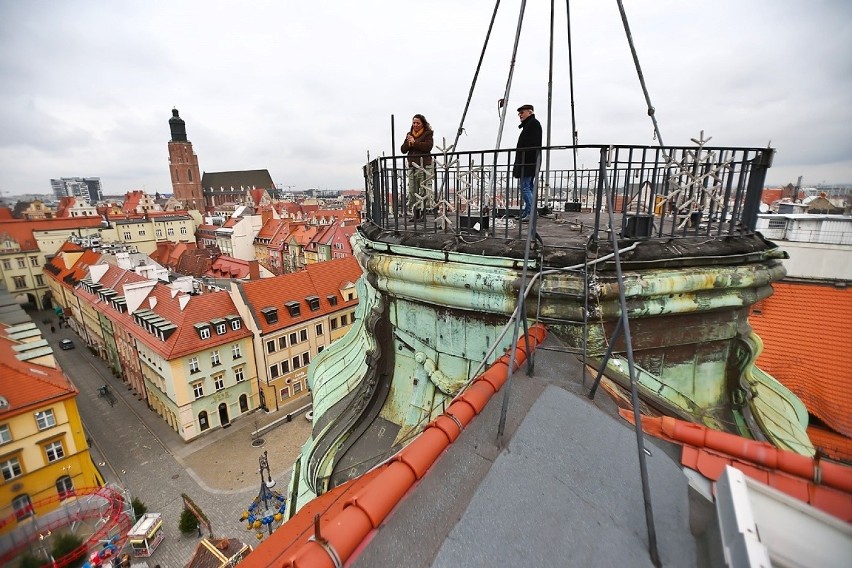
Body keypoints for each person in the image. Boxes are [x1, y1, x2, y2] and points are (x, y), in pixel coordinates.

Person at [400, 114, 434, 221]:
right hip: (412, 166)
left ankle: (424, 214)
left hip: (424, 166)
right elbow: (403, 149)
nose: (415, 125)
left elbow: (427, 147)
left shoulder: (427, 134)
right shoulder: (410, 134)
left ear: (422, 123)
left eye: (417, 123)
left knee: (424, 190)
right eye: (414, 122)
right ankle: (416, 213)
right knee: (412, 190)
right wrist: (409, 143)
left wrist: (414, 142)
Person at [513, 104, 542, 222]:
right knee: (528, 187)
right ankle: (528, 211)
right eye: (519, 113)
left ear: (529, 112)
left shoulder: (533, 124)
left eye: (522, 112)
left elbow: (531, 143)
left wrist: (523, 157)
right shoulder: (531, 124)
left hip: (528, 161)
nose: (520, 115)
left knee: (525, 187)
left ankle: (531, 212)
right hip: (529, 161)